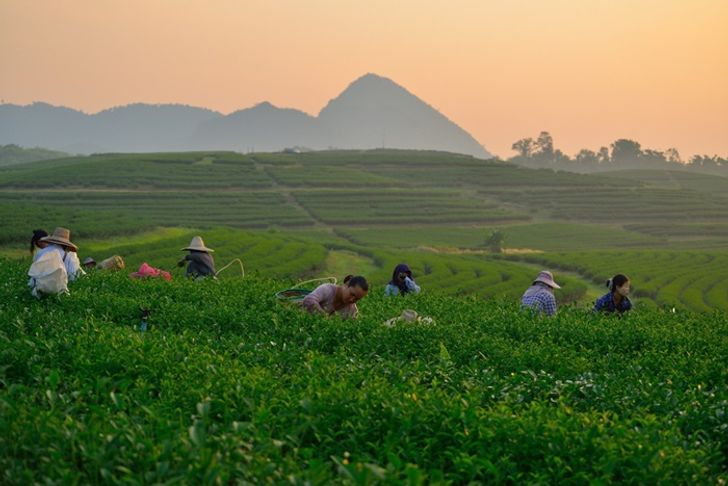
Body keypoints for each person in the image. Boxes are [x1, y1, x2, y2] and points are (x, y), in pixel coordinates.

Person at [301, 275, 369, 319]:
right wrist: (325, 319)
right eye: (352, 294)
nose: (352, 299)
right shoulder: (327, 289)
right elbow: (309, 300)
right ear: (346, 285)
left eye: (357, 299)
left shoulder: (352, 310)